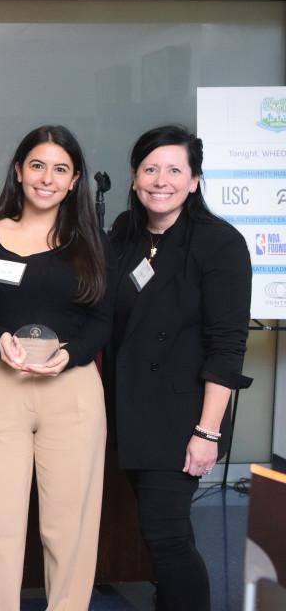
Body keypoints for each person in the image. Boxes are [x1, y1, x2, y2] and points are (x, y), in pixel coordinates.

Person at [105, 125, 251, 611]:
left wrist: (207, 433)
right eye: (150, 169)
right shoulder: (124, 234)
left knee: (165, 536)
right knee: (158, 534)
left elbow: (227, 346)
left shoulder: (220, 244)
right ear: (134, 176)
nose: (160, 180)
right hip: (128, 411)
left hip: (184, 415)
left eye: (174, 170)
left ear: (194, 181)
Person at [0, 125, 114, 610]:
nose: (47, 178)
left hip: (71, 390)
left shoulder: (91, 242)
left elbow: (103, 320)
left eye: (60, 169)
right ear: (18, 170)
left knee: (69, 527)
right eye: (37, 165)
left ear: (74, 180)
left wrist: (70, 355)